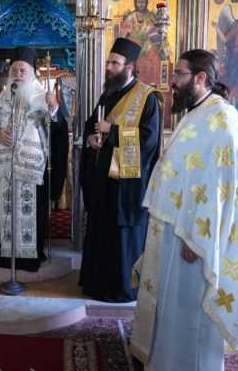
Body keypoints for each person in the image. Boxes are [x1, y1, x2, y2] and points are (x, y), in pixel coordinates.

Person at [130, 49, 238, 370]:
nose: (172, 81)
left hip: (196, 239)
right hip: (177, 227)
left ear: (200, 77)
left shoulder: (223, 118)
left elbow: (222, 185)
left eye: (179, 74)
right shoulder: (196, 112)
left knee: (191, 312)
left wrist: (200, 239)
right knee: (173, 306)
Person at [78, 38, 163, 303]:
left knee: (121, 237)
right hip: (102, 180)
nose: (109, 67)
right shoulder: (107, 95)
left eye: (115, 63)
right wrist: (91, 139)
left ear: (130, 67)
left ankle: (122, 289)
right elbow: (92, 125)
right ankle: (96, 284)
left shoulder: (147, 98)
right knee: (101, 233)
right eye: (108, 62)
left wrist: (112, 131)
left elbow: (148, 141)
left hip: (126, 184)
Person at [0, 47, 69, 272]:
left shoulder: (43, 97)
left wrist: (54, 109)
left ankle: (29, 259)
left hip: (32, 169)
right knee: (4, 215)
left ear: (33, 73)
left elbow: (58, 131)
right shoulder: (3, 97)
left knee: (32, 216)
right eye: (14, 70)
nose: (18, 74)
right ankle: (3, 258)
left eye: (23, 70)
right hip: (5, 169)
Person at [119, 0, 172, 84]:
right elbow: (123, 32)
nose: (141, 4)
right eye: (139, 2)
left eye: (143, 2)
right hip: (133, 45)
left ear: (146, 3)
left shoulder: (151, 17)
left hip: (148, 44)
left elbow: (158, 31)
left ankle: (151, 83)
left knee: (154, 58)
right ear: (135, 3)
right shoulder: (131, 17)